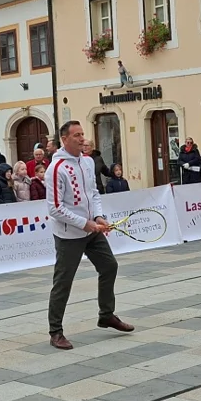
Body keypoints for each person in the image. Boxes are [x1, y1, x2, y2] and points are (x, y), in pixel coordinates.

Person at [46, 121, 134, 350]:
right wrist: (84, 223)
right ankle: (55, 331)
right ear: (64, 139)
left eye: (82, 134)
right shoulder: (56, 168)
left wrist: (98, 216)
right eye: (76, 135)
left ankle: (106, 314)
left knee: (109, 266)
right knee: (63, 281)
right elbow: (55, 208)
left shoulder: (87, 162)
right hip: (69, 234)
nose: (82, 139)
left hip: (91, 229)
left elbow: (93, 193)